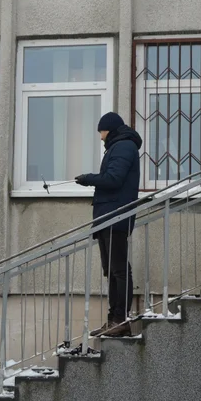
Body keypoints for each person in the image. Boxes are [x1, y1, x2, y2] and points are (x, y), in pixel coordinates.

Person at [75, 112, 142, 337]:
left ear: (110, 129)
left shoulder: (123, 146)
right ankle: (113, 320)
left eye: (101, 132)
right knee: (111, 271)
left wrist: (89, 179)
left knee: (119, 270)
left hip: (116, 217)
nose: (101, 137)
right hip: (108, 217)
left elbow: (114, 179)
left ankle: (120, 319)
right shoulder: (117, 146)